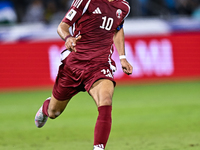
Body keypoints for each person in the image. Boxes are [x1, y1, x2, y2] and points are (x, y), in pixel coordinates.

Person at [35, 0, 133, 149]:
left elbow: (118, 28)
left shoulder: (123, 7)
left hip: (100, 65)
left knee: (106, 99)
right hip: (75, 64)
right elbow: (62, 26)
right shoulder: (86, 1)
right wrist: (68, 38)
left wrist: (122, 57)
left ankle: (98, 148)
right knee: (54, 112)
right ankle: (46, 108)